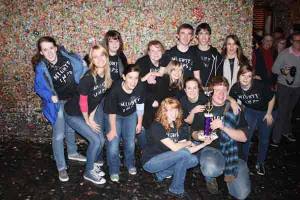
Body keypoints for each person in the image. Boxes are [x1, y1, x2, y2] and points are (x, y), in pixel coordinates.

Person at [33, 36, 87, 182]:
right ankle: (61, 167)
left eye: (51, 48)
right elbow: (38, 87)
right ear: (41, 53)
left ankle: (72, 152)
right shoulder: (42, 68)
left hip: (73, 100)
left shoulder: (66, 57)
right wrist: (50, 97)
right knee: (58, 135)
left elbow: (81, 67)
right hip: (58, 104)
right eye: (45, 50)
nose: (49, 52)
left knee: (71, 129)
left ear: (55, 48)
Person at [191, 76, 251, 199]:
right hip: (212, 150)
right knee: (210, 168)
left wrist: (223, 127)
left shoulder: (235, 109)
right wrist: (199, 135)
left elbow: (244, 138)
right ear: (212, 92)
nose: (221, 93)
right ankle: (211, 177)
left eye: (224, 90)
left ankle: (227, 172)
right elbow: (193, 133)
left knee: (242, 195)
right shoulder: (203, 108)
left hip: (233, 155)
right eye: (217, 90)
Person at [141, 98, 212, 198]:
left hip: (167, 159)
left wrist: (204, 144)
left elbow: (186, 150)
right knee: (184, 154)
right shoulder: (157, 126)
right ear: (164, 111)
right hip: (151, 162)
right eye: (170, 110)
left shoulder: (177, 125)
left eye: (176, 109)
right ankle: (176, 189)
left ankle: (161, 174)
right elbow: (175, 148)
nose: (174, 113)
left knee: (193, 160)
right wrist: (189, 142)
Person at [64, 45, 112, 184]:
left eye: (102, 55)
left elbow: (98, 98)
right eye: (95, 56)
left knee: (101, 140)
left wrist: (92, 116)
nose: (100, 59)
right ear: (92, 60)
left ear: (106, 56)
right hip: (73, 113)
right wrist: (87, 120)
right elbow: (83, 103)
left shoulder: (106, 76)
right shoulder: (88, 78)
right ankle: (88, 172)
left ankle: (93, 165)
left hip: (86, 114)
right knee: (96, 140)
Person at [230, 65, 276, 175]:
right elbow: (229, 96)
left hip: (268, 110)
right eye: (243, 75)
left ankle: (260, 163)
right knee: (246, 136)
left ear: (252, 78)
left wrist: (269, 113)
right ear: (238, 76)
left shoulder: (259, 85)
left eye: (249, 76)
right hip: (251, 110)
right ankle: (243, 161)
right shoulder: (236, 87)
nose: (245, 79)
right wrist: (233, 101)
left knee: (264, 138)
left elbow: (272, 98)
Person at [104, 64, 145, 182]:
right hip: (114, 115)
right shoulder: (115, 90)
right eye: (130, 77)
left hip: (130, 114)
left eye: (136, 78)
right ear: (124, 77)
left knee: (130, 142)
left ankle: (130, 163)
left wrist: (139, 123)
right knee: (113, 144)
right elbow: (111, 112)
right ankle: (114, 169)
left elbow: (140, 105)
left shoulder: (140, 87)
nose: (133, 81)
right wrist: (112, 129)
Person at [272, 32, 300, 144]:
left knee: (289, 111)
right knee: (282, 111)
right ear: (292, 41)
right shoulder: (284, 54)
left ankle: (286, 131)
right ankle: (276, 137)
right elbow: (274, 69)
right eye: (297, 41)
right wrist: (284, 71)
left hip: (297, 87)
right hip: (284, 87)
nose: (299, 43)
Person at [191, 23, 223, 87]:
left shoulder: (216, 55)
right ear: (197, 35)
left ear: (209, 36)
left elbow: (219, 76)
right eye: (201, 33)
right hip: (193, 90)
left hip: (210, 90)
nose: (203, 36)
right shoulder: (191, 51)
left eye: (206, 33)